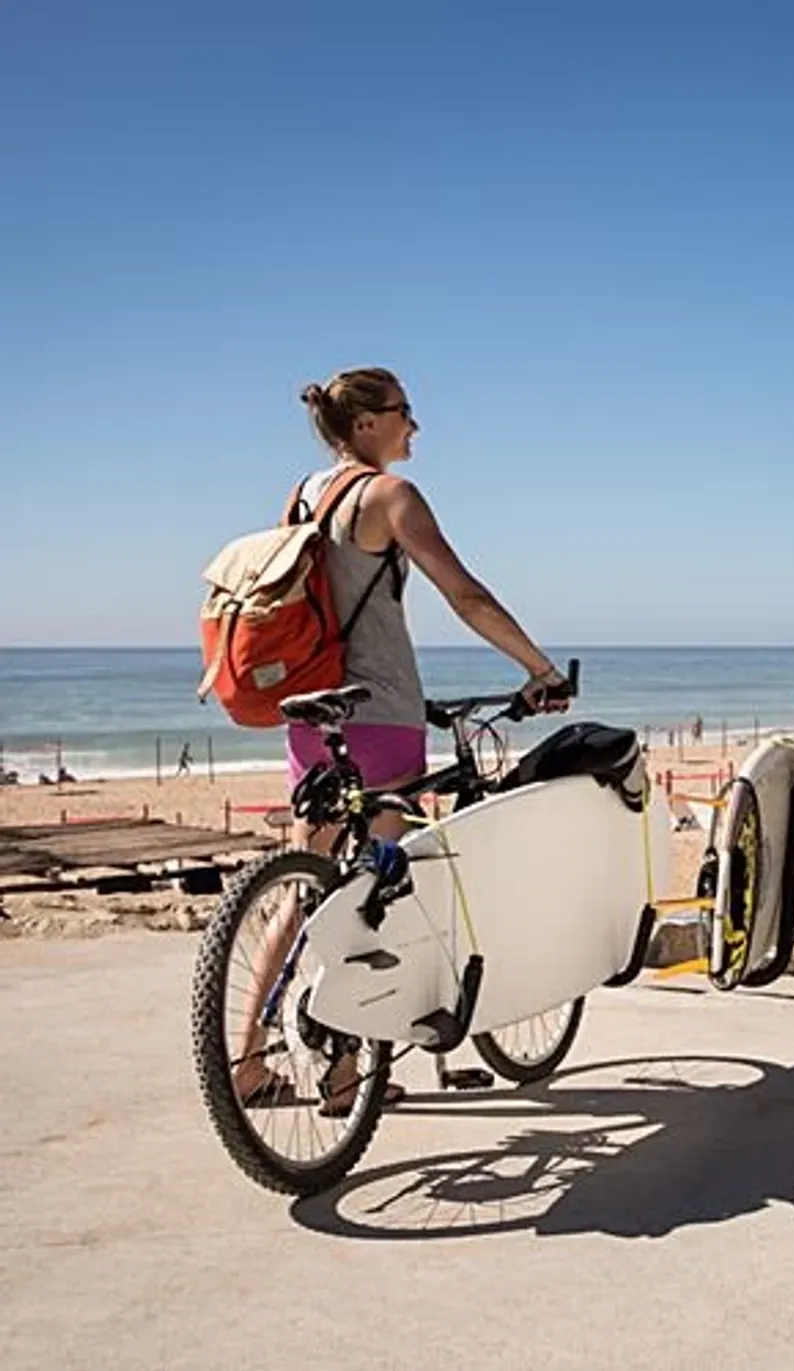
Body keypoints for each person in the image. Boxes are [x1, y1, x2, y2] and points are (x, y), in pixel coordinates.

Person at [232, 366, 571, 1114]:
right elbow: (465, 592)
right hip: (380, 711)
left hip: (310, 711)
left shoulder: (302, 494)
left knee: (305, 879)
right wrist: (537, 666)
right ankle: (346, 1073)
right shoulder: (390, 496)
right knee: (376, 884)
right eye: (403, 413)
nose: (414, 425)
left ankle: (250, 1058)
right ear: (365, 425)